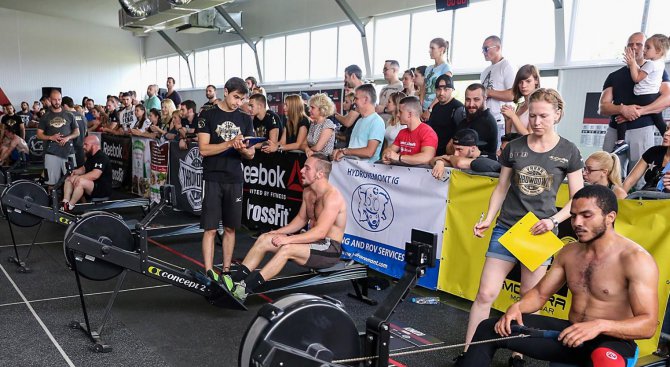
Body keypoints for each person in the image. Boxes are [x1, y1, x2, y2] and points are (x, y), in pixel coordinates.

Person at [460, 185, 659, 367]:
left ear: (610, 217)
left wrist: (599, 325)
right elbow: (539, 294)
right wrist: (517, 307)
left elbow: (648, 325)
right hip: (571, 335)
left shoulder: (635, 259)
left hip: (611, 343)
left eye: (586, 215)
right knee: (490, 327)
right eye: (573, 216)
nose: (577, 223)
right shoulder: (570, 252)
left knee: (603, 360)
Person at [457, 89, 584, 366]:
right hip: (506, 227)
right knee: (485, 294)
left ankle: (518, 354)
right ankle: (469, 353)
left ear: (557, 115)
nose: (537, 121)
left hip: (539, 233)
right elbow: (501, 187)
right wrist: (489, 217)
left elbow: (577, 198)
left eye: (544, 116)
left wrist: (553, 221)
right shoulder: (515, 146)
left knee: (527, 299)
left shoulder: (569, 151)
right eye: (533, 115)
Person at [224, 153, 346, 302]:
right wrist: (277, 232)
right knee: (264, 239)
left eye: (307, 168)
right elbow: (301, 219)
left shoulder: (332, 197)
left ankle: (244, 290)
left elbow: (320, 233)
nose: (301, 170)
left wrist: (288, 240)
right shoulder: (308, 191)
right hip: (312, 243)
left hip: (329, 248)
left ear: (320, 174)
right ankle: (233, 281)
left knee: (287, 248)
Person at [197, 77, 255, 282]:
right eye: (236, 97)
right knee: (211, 228)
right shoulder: (207, 114)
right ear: (226, 92)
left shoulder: (246, 119)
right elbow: (204, 149)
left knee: (230, 228)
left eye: (242, 99)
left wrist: (243, 149)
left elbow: (251, 154)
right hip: (212, 177)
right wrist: (230, 143)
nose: (238, 102)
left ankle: (227, 270)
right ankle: (209, 271)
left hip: (234, 178)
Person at [599, 32, 670, 185]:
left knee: (639, 179)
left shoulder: (657, 70)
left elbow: (667, 99)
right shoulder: (614, 76)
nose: (634, 47)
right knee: (606, 174)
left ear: (647, 48)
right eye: (630, 44)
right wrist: (622, 109)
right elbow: (602, 107)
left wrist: (638, 112)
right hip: (616, 130)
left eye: (639, 44)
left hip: (643, 130)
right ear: (626, 49)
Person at [615, 34, 670, 154]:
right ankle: (667, 136)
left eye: (647, 48)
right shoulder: (661, 63)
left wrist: (632, 63)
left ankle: (620, 141)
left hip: (643, 96)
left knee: (623, 109)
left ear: (659, 51)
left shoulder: (650, 64)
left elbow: (636, 78)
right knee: (658, 119)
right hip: (653, 96)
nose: (644, 50)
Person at [36, 89, 80, 190]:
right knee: (51, 183)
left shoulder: (69, 115)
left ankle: (70, 204)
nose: (57, 102)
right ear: (50, 100)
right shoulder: (45, 116)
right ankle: (52, 204)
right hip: (51, 152)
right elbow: (39, 135)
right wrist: (50, 137)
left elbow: (77, 132)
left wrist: (68, 137)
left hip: (69, 151)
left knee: (72, 180)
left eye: (59, 99)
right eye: (54, 100)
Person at [332, 84, 385, 163]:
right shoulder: (359, 121)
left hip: (365, 171)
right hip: (352, 168)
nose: (354, 102)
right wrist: (340, 151)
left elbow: (369, 152)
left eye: (356, 98)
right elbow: (353, 147)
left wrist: (344, 151)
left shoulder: (377, 121)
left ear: (366, 99)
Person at [381, 96, 437, 166]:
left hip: (419, 174)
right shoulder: (402, 132)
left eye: (400, 112)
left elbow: (427, 157)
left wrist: (399, 157)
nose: (398, 115)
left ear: (409, 114)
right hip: (402, 173)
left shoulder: (428, 132)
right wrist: (387, 155)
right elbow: (389, 149)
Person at [61, 135, 113, 210]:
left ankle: (70, 206)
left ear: (94, 145)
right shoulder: (91, 156)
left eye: (86, 144)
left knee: (80, 181)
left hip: (102, 189)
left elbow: (95, 175)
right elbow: (84, 168)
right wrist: (75, 172)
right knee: (69, 178)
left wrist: (79, 177)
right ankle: (65, 203)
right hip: (92, 185)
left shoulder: (102, 157)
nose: (83, 147)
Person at [480, 35, 516, 142]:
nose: (484, 52)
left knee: (497, 155)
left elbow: (512, 95)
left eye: (486, 48)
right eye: (483, 49)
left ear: (498, 48)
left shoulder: (507, 66)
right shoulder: (485, 71)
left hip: (501, 122)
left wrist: (489, 92)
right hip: (485, 120)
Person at [431, 129, 501, 180]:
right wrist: (439, 162)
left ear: (473, 148)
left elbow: (459, 163)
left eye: (459, 149)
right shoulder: (456, 158)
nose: (455, 153)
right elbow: (432, 160)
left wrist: (450, 158)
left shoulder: (490, 158)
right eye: (454, 149)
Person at [452, 84, 499, 159]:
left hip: (482, 168)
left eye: (476, 99)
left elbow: (465, 153)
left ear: (484, 99)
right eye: (468, 100)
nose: (471, 104)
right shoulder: (465, 121)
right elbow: (450, 148)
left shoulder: (486, 122)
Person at [622, 125, 670, 192]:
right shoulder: (653, 151)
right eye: (667, 129)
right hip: (645, 198)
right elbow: (629, 181)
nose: (666, 133)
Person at [426, 74, 465, 155]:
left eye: (446, 89)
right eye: (438, 89)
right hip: (434, 151)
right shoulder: (436, 107)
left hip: (450, 154)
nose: (441, 93)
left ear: (452, 90)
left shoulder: (458, 108)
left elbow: (462, 135)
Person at [501, 64, 541, 135]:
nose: (523, 86)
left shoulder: (538, 105)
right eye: (520, 82)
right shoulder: (520, 105)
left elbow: (529, 135)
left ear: (536, 81)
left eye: (528, 81)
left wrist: (513, 116)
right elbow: (509, 135)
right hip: (514, 145)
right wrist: (508, 119)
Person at [422, 38, 453, 121]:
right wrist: (420, 106)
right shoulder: (428, 68)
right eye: (430, 48)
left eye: (432, 48)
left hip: (436, 108)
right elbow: (423, 88)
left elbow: (444, 91)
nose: (429, 51)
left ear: (441, 49)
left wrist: (430, 109)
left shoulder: (446, 68)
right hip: (423, 108)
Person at [303, 93, 336, 157]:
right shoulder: (313, 124)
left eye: (312, 108)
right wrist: (307, 149)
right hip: (312, 159)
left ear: (322, 109)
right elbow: (304, 144)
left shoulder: (328, 124)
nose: (309, 110)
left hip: (323, 161)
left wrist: (307, 149)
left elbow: (318, 148)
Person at [61, 96, 87, 168]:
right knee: (80, 172)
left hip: (70, 149)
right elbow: (86, 132)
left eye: (61, 107)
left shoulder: (66, 117)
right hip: (81, 149)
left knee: (70, 174)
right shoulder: (83, 117)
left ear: (65, 106)